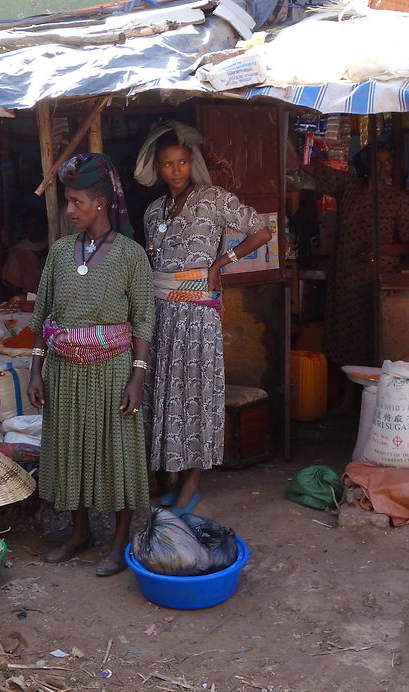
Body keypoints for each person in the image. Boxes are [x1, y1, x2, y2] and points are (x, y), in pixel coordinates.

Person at [26, 153, 154, 577]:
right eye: (68, 201)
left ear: (100, 202)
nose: (70, 210)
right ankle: (79, 532)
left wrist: (137, 377)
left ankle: (119, 541)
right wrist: (35, 369)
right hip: (65, 371)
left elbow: (143, 321)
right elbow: (43, 316)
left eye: (77, 201)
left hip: (114, 371)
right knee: (71, 449)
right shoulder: (61, 253)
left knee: (116, 452)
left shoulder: (131, 255)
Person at [135, 121, 272, 514]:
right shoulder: (153, 211)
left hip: (197, 316)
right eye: (167, 164)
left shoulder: (213, 198)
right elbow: (150, 263)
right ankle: (171, 478)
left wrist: (222, 262)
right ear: (158, 168)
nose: (175, 170)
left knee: (194, 395)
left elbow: (263, 231)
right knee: (165, 395)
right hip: (160, 315)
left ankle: (191, 482)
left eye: (181, 162)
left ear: (190, 162)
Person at [300, 142, 409, 370]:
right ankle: (347, 393)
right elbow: (313, 169)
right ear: (367, 164)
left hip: (377, 279)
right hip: (346, 278)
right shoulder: (349, 186)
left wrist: (380, 250)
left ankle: (371, 389)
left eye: (388, 162)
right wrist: (299, 149)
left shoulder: (397, 199)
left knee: (375, 335)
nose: (384, 168)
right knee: (346, 336)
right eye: (378, 162)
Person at [2, 209, 47, 295]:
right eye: (31, 225)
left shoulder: (52, 245)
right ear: (25, 228)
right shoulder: (17, 253)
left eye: (38, 224)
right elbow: (14, 291)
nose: (35, 229)